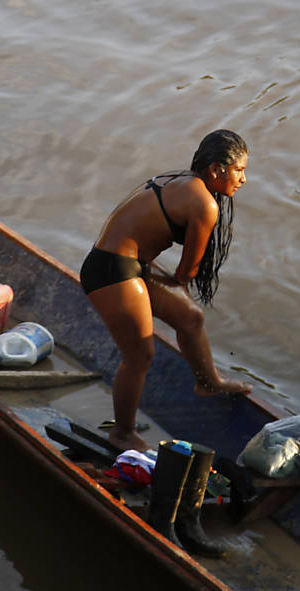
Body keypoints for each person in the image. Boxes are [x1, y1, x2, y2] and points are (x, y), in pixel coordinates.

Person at [80, 129, 253, 452]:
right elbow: (187, 272)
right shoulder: (204, 203)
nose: (244, 179)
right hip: (111, 270)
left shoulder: (182, 178)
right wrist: (174, 282)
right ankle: (122, 434)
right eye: (239, 170)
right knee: (140, 356)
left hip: (128, 266)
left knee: (190, 317)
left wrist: (167, 284)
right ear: (217, 169)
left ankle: (208, 382)